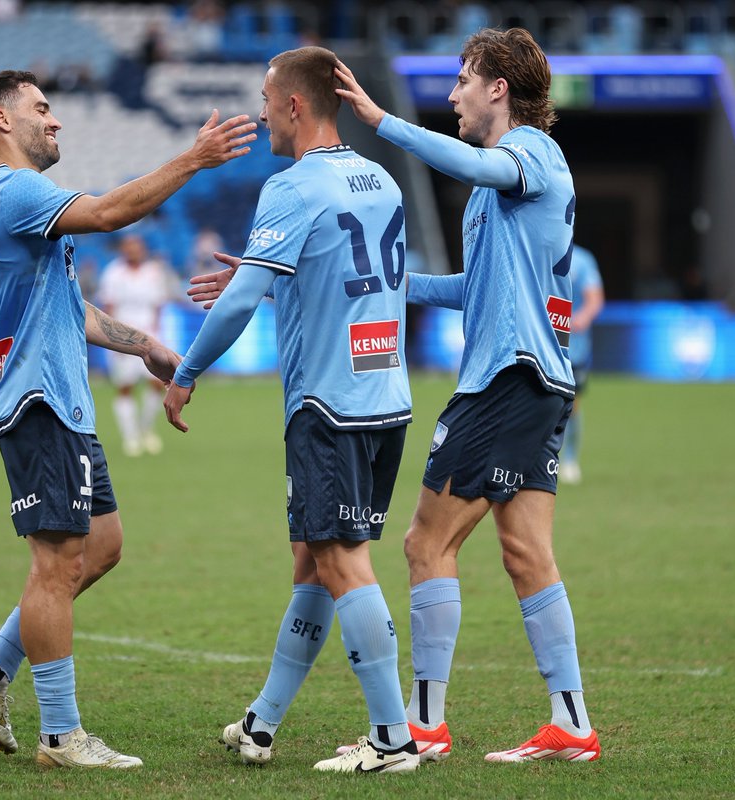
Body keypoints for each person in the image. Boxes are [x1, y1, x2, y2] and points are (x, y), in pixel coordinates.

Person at [0, 69, 255, 769]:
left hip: (62, 402)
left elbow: (67, 306)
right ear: (2, 120)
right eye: (41, 109)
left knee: (102, 547)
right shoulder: (17, 190)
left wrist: (144, 345)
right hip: (38, 402)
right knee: (56, 564)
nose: (55, 122)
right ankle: (61, 734)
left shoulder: (14, 202)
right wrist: (192, 159)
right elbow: (114, 212)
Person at [333, 28, 601, 762]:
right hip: (536, 378)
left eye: (462, 80)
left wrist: (384, 124)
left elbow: (473, 162)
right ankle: (571, 724)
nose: (452, 94)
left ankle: (424, 723)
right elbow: (475, 288)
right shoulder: (499, 189)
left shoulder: (529, 156)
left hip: (505, 379)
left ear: (498, 90)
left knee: (427, 542)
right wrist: (392, 286)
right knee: (526, 554)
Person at [163, 46, 421, 774]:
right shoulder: (381, 181)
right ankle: (262, 723)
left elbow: (242, 301)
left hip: (327, 404)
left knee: (340, 562)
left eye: (267, 99)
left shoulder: (291, 185)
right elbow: (345, 277)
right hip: (386, 400)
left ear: (296, 106)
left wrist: (185, 371)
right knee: (313, 561)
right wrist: (265, 275)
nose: (263, 112)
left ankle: (392, 739)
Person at [97, 233, 175, 456]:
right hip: (123, 339)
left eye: (137, 246)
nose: (133, 250)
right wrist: (112, 340)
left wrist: (159, 335)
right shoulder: (113, 273)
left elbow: (158, 306)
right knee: (125, 388)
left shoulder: (153, 272)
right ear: (122, 249)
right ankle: (130, 437)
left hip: (150, 337)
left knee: (158, 384)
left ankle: (146, 429)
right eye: (129, 246)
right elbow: (109, 307)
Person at [559, 245, 604, 484]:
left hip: (573, 349)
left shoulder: (582, 260)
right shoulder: (538, 250)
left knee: (571, 405)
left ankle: (570, 459)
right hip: (540, 344)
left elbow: (594, 299)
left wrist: (583, 317)